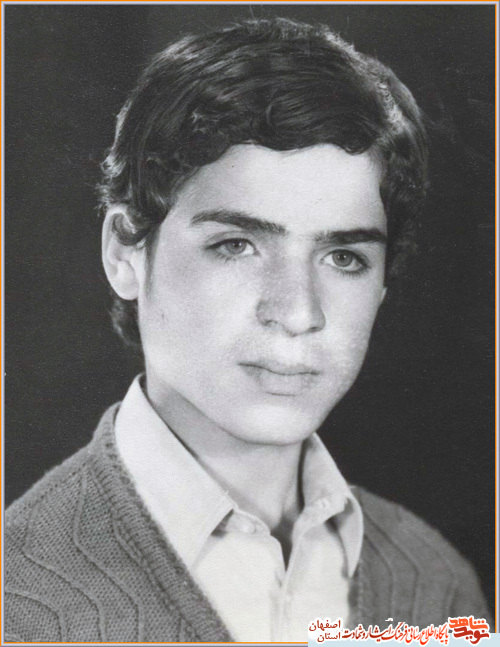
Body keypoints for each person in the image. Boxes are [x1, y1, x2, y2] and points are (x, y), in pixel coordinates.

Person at [5, 17, 490, 643]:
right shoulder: (19, 600)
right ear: (125, 252)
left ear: (382, 285)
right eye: (236, 245)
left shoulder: (434, 584)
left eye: (344, 258)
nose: (298, 312)